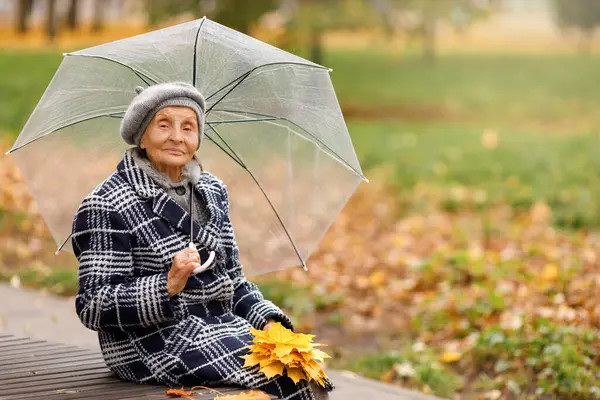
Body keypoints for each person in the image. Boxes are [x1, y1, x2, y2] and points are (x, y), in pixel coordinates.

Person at [71, 82, 332, 400]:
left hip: (220, 328)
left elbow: (234, 281)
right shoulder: (108, 202)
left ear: (198, 138)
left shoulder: (212, 192)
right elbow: (93, 306)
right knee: (285, 379)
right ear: (142, 135)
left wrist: (268, 321)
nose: (177, 137)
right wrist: (166, 285)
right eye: (163, 125)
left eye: (188, 127)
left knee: (304, 367)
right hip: (153, 342)